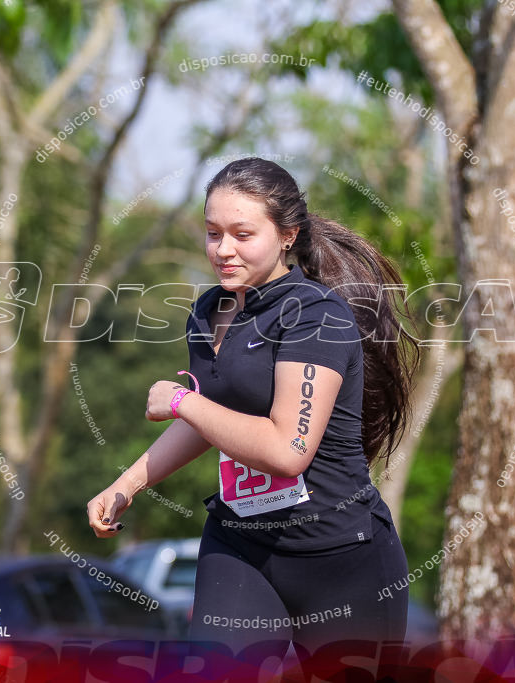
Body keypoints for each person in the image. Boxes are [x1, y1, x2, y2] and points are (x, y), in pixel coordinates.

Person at [88, 157, 420, 664]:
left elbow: (288, 452)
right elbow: (214, 422)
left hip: (339, 559)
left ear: (288, 235)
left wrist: (182, 401)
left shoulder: (315, 314)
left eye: (243, 234)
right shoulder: (207, 310)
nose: (223, 250)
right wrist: (127, 483)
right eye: (212, 233)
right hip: (240, 545)